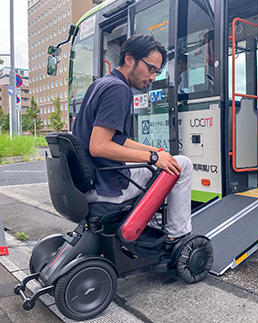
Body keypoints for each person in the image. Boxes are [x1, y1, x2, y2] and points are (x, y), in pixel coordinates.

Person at [72, 34, 192, 242]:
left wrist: (153, 151)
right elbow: (99, 146)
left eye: (157, 71)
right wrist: (153, 159)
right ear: (129, 59)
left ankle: (152, 222)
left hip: (91, 182)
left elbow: (116, 140)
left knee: (164, 160)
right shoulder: (119, 90)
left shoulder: (100, 84)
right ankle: (177, 236)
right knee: (182, 164)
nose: (153, 77)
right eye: (151, 68)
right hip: (107, 187)